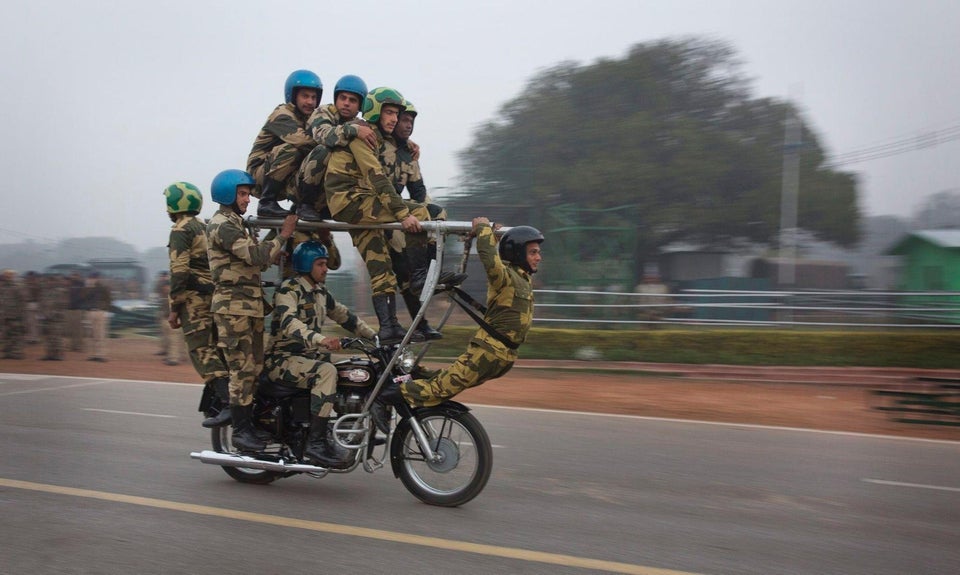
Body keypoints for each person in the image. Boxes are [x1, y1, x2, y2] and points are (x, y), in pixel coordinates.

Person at [324, 87, 446, 343]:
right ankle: (421, 275)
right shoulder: (362, 135)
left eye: (397, 114)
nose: (394, 119)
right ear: (376, 111)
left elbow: (405, 180)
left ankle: (390, 327)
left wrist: (409, 145)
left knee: (383, 269)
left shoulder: (384, 140)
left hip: (366, 206)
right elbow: (376, 177)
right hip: (350, 202)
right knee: (419, 213)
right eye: (389, 112)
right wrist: (403, 214)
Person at [379, 218, 544, 408]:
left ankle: (412, 379)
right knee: (441, 389)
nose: (538, 257)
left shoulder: (522, 278)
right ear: (518, 253)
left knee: (444, 384)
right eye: (533, 252)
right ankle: (385, 397)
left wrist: (494, 236)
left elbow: (497, 255)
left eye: (538, 252)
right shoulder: (504, 277)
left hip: (503, 356)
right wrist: (483, 227)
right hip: (488, 352)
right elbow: (489, 258)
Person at [206, 169, 297, 452]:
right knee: (241, 370)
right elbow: (257, 256)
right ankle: (241, 433)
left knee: (255, 367)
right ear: (227, 196)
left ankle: (252, 425)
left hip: (249, 306)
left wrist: (275, 241)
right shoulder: (224, 225)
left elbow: (259, 257)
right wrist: (283, 234)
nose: (247, 200)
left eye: (248, 194)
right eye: (242, 194)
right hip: (234, 309)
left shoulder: (238, 223)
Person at [264, 241, 377, 468]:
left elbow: (346, 317)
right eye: (321, 264)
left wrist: (376, 338)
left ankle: (343, 428)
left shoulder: (320, 292)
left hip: (308, 358)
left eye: (325, 264)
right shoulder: (289, 290)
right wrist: (321, 340)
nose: (326, 269)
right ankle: (316, 444)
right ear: (307, 265)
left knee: (356, 369)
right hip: (282, 359)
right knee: (326, 371)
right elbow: (289, 323)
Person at [163, 181, 233, 427]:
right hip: (215, 296)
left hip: (194, 301)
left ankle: (227, 403)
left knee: (202, 350)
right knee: (218, 347)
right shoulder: (204, 225)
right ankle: (224, 397)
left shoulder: (181, 229)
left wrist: (174, 307)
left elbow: (179, 270)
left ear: (173, 204)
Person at [381, 99, 450, 340]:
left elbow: (420, 194)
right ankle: (412, 322)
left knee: (438, 213)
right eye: (404, 120)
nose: (408, 125)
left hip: (400, 217)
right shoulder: (377, 143)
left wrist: (432, 223)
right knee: (401, 275)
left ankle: (431, 271)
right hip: (379, 214)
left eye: (411, 121)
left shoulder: (409, 154)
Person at [294, 74, 378, 222]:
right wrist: (353, 130)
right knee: (324, 150)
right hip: (303, 177)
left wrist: (404, 143)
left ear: (360, 105)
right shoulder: (324, 112)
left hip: (332, 186)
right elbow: (324, 135)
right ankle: (305, 204)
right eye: (343, 98)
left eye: (352, 100)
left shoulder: (359, 123)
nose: (346, 103)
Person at [247, 69, 323, 218]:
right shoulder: (282, 114)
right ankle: (266, 202)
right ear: (293, 96)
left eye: (314, 97)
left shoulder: (308, 118)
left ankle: (303, 205)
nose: (310, 102)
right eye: (305, 96)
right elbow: (303, 141)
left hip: (283, 174)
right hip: (259, 176)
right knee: (292, 149)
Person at [84, 272, 112, 362]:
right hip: (91, 312)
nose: (91, 280)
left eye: (93, 278)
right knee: (92, 334)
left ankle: (100, 355)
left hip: (100, 312)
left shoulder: (103, 287)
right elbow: (84, 298)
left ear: (98, 278)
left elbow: (108, 300)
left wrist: (106, 310)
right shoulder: (88, 288)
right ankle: (93, 354)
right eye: (90, 278)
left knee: (100, 334)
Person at [40, 274, 68, 361]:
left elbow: (63, 305)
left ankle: (59, 355)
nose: (49, 283)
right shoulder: (45, 292)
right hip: (46, 318)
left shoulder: (59, 292)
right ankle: (49, 354)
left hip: (56, 319)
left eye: (51, 281)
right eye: (48, 281)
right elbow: (42, 304)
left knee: (57, 337)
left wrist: (55, 314)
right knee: (48, 337)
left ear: (54, 282)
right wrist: (43, 314)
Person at [0, 270, 25, 359]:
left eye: (7, 276)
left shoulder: (17, 287)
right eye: (5, 276)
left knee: (16, 335)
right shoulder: (3, 287)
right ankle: (8, 352)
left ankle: (17, 353)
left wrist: (20, 314)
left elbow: (22, 301)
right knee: (7, 335)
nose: (5, 277)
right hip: (5, 315)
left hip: (15, 315)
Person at [66, 272, 86, 353]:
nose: (73, 277)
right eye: (73, 275)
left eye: (75, 275)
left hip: (78, 308)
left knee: (78, 328)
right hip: (70, 308)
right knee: (71, 328)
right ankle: (73, 345)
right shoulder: (69, 284)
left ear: (79, 276)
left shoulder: (81, 284)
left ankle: (79, 346)